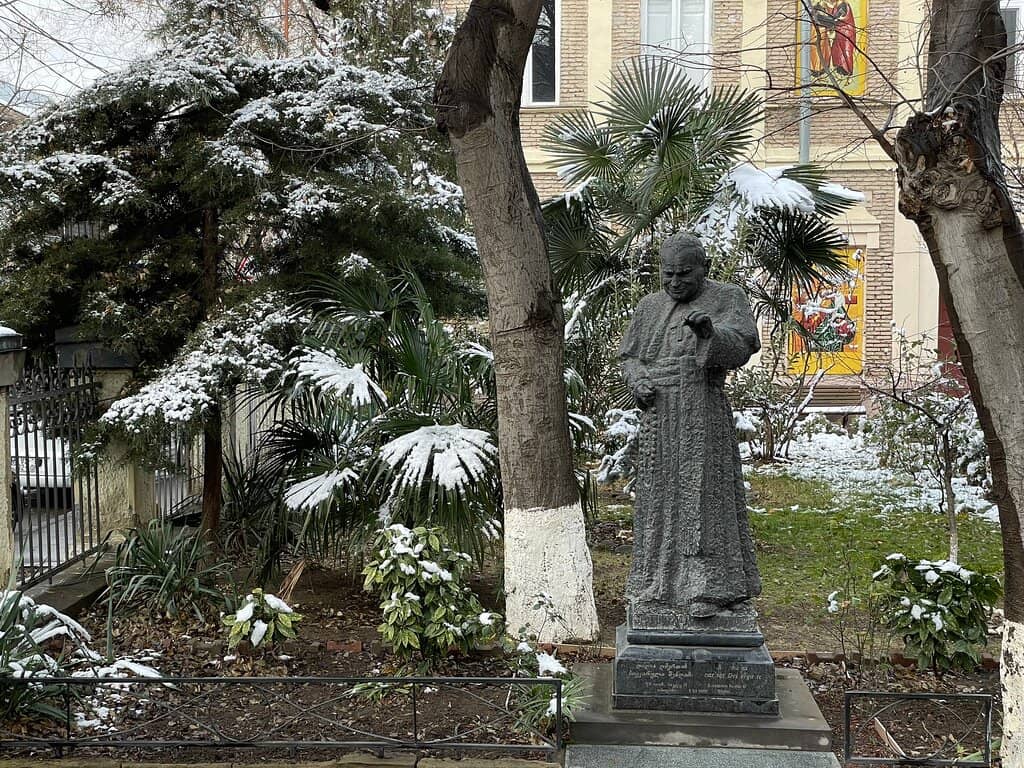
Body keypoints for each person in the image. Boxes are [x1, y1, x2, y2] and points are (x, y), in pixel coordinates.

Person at [619, 233, 762, 626]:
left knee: (704, 501)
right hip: (660, 417)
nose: (675, 282)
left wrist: (709, 334)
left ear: (704, 269)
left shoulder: (727, 297)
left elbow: (744, 345)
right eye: (668, 274)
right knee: (658, 502)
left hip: (702, 414)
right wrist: (638, 380)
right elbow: (630, 357)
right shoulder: (649, 307)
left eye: (684, 273)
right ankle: (657, 586)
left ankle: (709, 590)